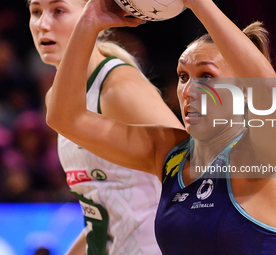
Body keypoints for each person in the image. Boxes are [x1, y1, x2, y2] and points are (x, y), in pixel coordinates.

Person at [45, 0, 276, 254]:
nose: (188, 90)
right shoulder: (168, 151)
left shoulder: (259, 156)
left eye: (207, 76)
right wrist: (89, 20)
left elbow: (267, 92)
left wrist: (199, 3)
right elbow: (65, 118)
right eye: (183, 76)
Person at [27, 0, 184, 254]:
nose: (42, 24)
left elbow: (192, 169)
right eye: (35, 12)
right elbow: (102, 219)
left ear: (90, 14)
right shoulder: (56, 98)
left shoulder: (117, 86)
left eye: (58, 11)